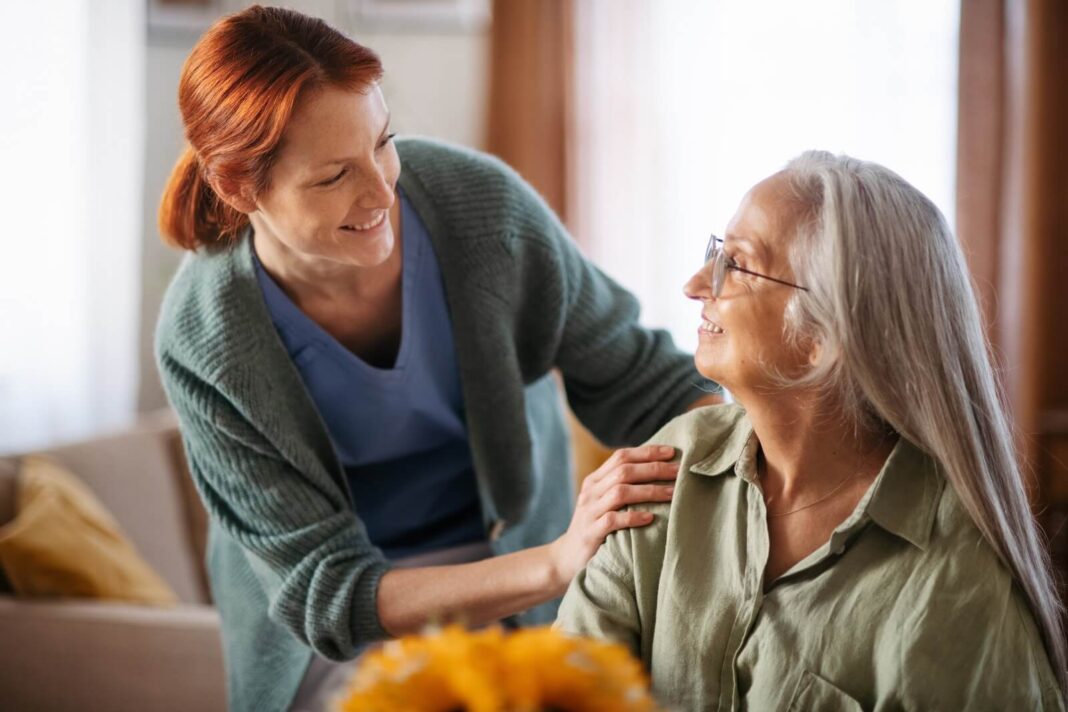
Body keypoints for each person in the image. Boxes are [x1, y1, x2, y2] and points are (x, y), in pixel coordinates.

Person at [154, 6, 719, 711]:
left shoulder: (479, 207)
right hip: (346, 637)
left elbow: (648, 381)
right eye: (333, 176)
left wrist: (768, 468)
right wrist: (553, 563)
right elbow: (330, 594)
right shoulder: (205, 339)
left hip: (523, 586)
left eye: (383, 143)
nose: (380, 191)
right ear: (240, 188)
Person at [556, 151, 1067, 710]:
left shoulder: (958, 587)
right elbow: (562, 689)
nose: (697, 284)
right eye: (714, 253)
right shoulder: (671, 464)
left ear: (825, 335)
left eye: (738, 264)